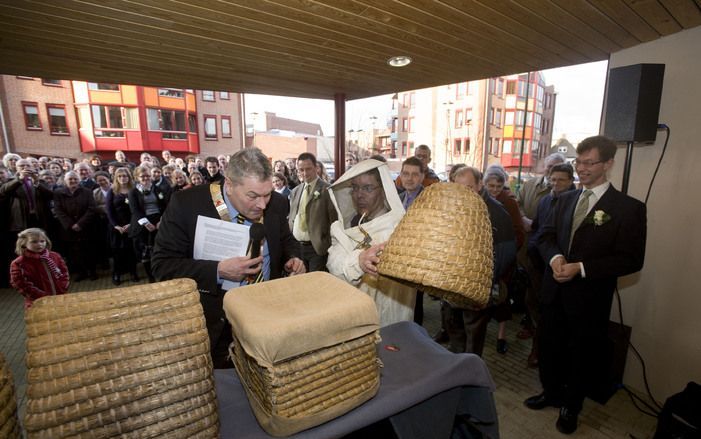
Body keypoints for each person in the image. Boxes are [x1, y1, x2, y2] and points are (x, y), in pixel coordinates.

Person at [524, 136, 647, 435]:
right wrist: (554, 258)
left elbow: (631, 260)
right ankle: (551, 392)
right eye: (579, 162)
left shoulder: (628, 208)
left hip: (590, 296)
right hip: (554, 290)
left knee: (581, 353)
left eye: (589, 163)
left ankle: (571, 405)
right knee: (550, 345)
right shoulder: (563, 199)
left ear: (608, 164)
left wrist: (580, 268)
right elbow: (545, 235)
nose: (582, 168)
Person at [152, 147, 305, 368]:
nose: (262, 205)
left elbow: (287, 240)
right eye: (252, 196)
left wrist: (293, 258)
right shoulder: (186, 205)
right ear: (229, 185)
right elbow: (162, 266)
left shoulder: (278, 205)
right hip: (215, 324)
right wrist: (218, 271)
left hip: (267, 317)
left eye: (267, 194)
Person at [327, 159, 416, 327]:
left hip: (393, 320)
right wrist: (359, 261)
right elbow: (334, 264)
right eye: (355, 188)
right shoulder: (342, 228)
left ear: (383, 190)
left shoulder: (402, 228)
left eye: (367, 188)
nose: (359, 194)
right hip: (353, 317)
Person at [439, 166, 516, 356]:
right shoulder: (455, 207)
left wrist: (480, 280)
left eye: (468, 187)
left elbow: (506, 252)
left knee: (472, 343)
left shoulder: (496, 213)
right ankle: (456, 375)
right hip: (452, 288)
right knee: (455, 336)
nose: (463, 193)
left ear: (480, 184)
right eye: (458, 188)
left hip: (478, 289)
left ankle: (471, 380)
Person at [524, 162, 576, 368]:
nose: (556, 184)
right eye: (553, 180)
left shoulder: (575, 202)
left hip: (561, 267)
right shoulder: (545, 200)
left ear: (571, 181)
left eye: (561, 180)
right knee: (535, 303)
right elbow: (537, 228)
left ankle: (545, 352)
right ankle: (538, 345)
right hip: (538, 262)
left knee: (553, 313)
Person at [483, 165, 525, 354]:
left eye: (498, 187)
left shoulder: (509, 202)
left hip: (503, 258)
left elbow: (518, 231)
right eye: (491, 186)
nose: (494, 190)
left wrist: (506, 255)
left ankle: (501, 335)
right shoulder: (481, 200)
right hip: (484, 260)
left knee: (501, 297)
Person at [288, 153, 336, 272]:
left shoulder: (327, 190)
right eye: (301, 170)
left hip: (317, 249)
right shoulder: (295, 191)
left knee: (314, 284)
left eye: (308, 169)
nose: (305, 173)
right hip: (297, 248)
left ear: (316, 168)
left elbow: (334, 221)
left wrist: (326, 244)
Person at [53, 171, 98, 281]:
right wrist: (70, 224)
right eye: (70, 179)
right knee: (73, 252)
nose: (73, 181)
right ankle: (80, 272)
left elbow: (91, 208)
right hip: (68, 228)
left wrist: (80, 223)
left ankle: (92, 271)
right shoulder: (58, 193)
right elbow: (58, 210)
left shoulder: (87, 192)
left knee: (89, 249)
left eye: (75, 179)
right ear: (65, 181)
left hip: (86, 226)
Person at [397, 157, 427, 324]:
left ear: (422, 176)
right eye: (406, 173)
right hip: (399, 258)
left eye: (415, 174)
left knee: (416, 304)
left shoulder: (429, 198)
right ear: (400, 175)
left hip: (418, 260)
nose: (409, 178)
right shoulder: (398, 198)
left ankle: (416, 338)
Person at [10, 228, 69, 308]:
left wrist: (63, 287)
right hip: (37, 302)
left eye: (42, 241)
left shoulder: (55, 256)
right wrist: (42, 296)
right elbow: (21, 284)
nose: (39, 244)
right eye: (34, 242)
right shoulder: (19, 263)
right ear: (23, 243)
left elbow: (64, 273)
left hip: (59, 298)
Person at [128, 166, 168, 283]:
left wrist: (161, 220)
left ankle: (161, 272)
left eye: (147, 176)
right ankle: (151, 276)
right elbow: (134, 210)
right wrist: (146, 223)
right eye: (142, 176)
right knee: (146, 251)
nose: (145, 178)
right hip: (142, 222)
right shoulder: (133, 192)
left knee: (159, 249)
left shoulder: (158, 189)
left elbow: (165, 206)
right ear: (137, 178)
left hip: (158, 221)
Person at [106, 167, 138, 284]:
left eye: (124, 176)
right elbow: (109, 211)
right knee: (117, 252)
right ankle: (116, 274)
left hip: (131, 225)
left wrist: (131, 224)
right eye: (119, 176)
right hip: (116, 227)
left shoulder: (134, 190)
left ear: (129, 177)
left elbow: (137, 209)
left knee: (131, 251)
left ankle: (133, 272)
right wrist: (116, 225)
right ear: (116, 178)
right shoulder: (112, 191)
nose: (122, 178)